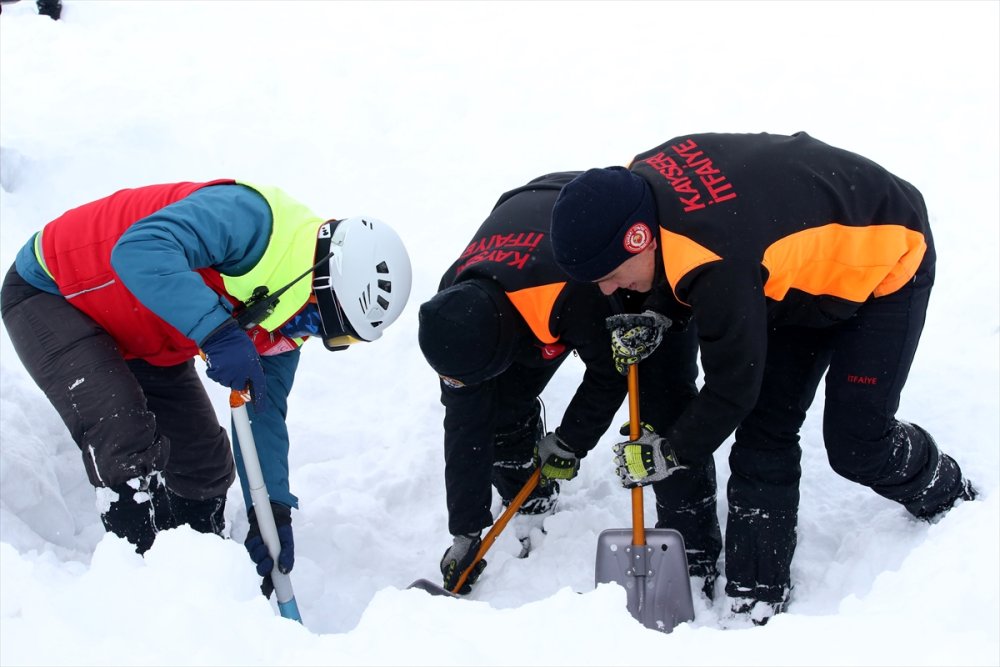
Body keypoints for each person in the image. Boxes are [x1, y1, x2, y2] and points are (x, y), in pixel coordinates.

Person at [549, 132, 978, 625]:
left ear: (638, 236)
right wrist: (656, 312)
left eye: (611, 272)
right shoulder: (636, 183)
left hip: (886, 257)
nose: (608, 289)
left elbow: (733, 387)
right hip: (791, 272)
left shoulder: (718, 260)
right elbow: (700, 258)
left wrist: (668, 453)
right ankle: (757, 593)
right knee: (765, 429)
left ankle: (949, 494)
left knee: (858, 445)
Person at [0, 179, 412, 598]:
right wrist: (215, 332)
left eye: (336, 338)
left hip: (142, 329)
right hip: (53, 293)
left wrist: (271, 510)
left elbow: (262, 414)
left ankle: (203, 592)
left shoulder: (286, 320)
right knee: (125, 439)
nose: (310, 334)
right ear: (320, 280)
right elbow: (138, 251)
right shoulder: (247, 219)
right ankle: (139, 595)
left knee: (205, 466)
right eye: (323, 322)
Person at [417, 171, 699, 594]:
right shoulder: (452, 314)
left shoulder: (578, 297)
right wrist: (465, 532)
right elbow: (464, 425)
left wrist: (571, 441)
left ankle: (695, 546)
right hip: (522, 231)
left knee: (662, 392)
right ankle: (526, 492)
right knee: (495, 409)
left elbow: (611, 371)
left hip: (596, 234)